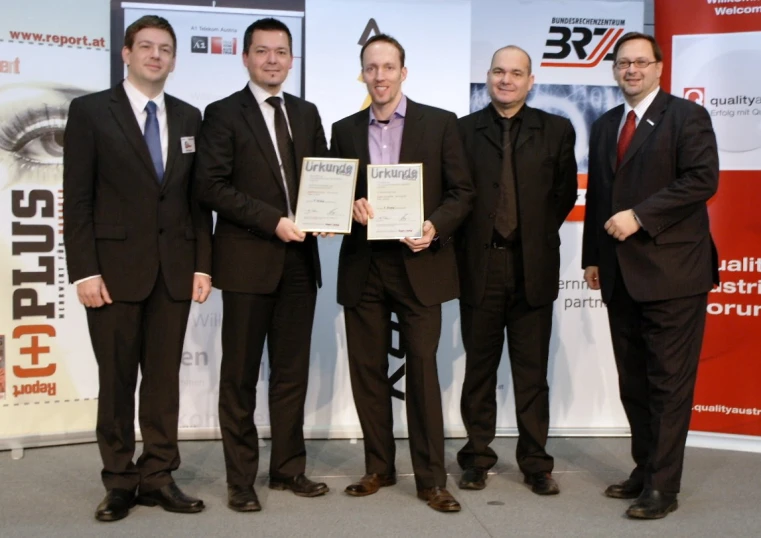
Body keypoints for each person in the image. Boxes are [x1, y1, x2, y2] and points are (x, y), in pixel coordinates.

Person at [63, 15, 212, 522]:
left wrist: (203, 266)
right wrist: (84, 271)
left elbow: (197, 202)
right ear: (125, 53)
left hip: (174, 271)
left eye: (165, 49)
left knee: (164, 381)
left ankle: (159, 475)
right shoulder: (89, 112)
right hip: (112, 273)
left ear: (173, 58)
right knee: (118, 379)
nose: (155, 55)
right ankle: (120, 480)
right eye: (145, 46)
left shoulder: (191, 117)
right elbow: (77, 199)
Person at [329, 34, 474, 513]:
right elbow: (337, 199)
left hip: (420, 263)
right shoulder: (344, 129)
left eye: (389, 67)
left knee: (423, 374)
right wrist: (350, 207)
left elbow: (463, 193)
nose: (380, 76)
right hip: (364, 267)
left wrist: (434, 227)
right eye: (371, 68)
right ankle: (378, 468)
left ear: (403, 72)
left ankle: (432, 478)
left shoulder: (440, 124)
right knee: (367, 372)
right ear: (363, 74)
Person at [582, 32, 719, 519]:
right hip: (619, 274)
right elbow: (599, 196)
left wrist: (640, 216)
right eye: (623, 63)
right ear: (615, 70)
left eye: (641, 62)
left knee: (667, 383)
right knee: (634, 382)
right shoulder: (604, 125)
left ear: (660, 68)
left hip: (673, 274)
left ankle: (663, 486)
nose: (632, 70)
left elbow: (702, 179)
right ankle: (646, 468)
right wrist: (592, 257)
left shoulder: (686, 116)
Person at [194, 17, 328, 512]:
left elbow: (324, 174)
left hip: (299, 263)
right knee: (241, 377)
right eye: (263, 51)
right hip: (249, 261)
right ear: (246, 57)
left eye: (281, 51)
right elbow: (210, 186)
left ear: (292, 59)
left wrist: (333, 212)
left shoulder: (307, 113)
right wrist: (272, 220)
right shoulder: (223, 113)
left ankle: (289, 468)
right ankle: (241, 479)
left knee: (292, 372)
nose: (272, 59)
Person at [455, 46, 577, 496]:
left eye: (516, 73)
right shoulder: (463, 130)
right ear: (488, 77)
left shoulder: (557, 130)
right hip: (479, 267)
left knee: (531, 373)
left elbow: (562, 196)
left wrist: (531, 237)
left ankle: (535, 462)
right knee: (479, 371)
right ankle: (476, 457)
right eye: (498, 71)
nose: (506, 79)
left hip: (532, 268)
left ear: (531, 80)